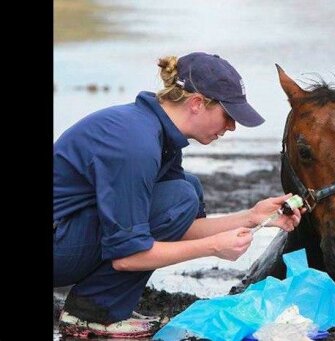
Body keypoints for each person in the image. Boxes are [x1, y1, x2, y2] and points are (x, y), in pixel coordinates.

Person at [53, 52, 304, 338]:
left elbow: (176, 227)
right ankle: (92, 314)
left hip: (67, 235)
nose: (232, 127)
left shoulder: (159, 136)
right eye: (228, 115)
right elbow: (128, 256)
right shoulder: (136, 144)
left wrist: (251, 218)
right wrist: (213, 247)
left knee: (186, 190)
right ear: (197, 103)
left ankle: (100, 307)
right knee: (181, 196)